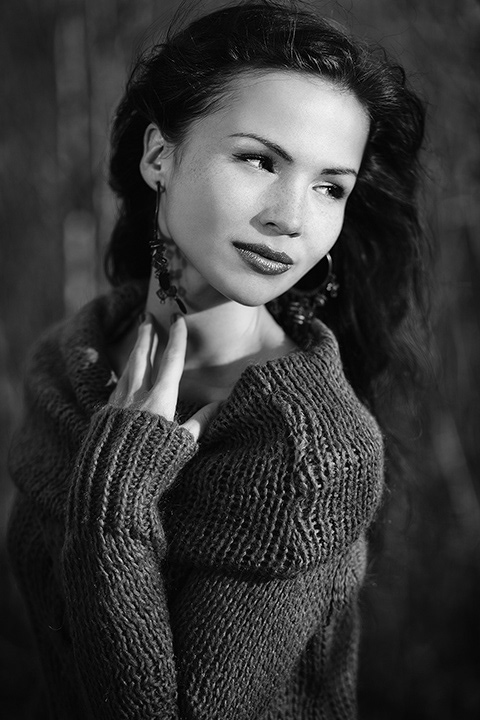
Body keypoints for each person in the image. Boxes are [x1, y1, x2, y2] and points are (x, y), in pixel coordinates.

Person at [7, 1, 427, 718]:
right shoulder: (67, 368)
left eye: (330, 187)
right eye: (259, 160)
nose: (291, 217)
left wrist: (118, 497)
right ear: (158, 157)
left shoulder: (312, 452)